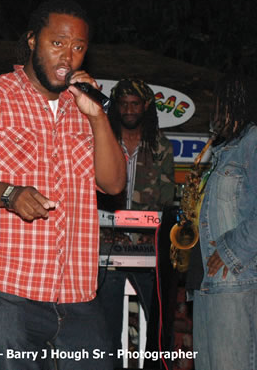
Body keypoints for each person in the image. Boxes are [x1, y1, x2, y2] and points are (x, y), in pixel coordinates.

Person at [0, 0, 126, 370]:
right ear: (32, 41)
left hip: (75, 288)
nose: (67, 57)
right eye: (57, 43)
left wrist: (96, 118)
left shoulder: (84, 108)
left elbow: (113, 184)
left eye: (78, 47)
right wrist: (10, 194)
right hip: (7, 283)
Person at [185, 73, 257, 370]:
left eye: (221, 104)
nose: (215, 113)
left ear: (239, 104)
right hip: (215, 283)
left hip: (242, 280)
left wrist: (233, 247)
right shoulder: (225, 153)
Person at [96, 78, 175, 366]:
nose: (129, 110)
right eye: (123, 104)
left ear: (145, 107)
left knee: (158, 326)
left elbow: (166, 201)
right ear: (116, 108)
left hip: (148, 248)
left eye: (135, 104)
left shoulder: (161, 147)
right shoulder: (101, 141)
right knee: (106, 330)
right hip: (105, 247)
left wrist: (149, 234)